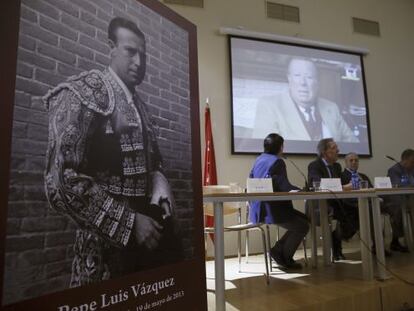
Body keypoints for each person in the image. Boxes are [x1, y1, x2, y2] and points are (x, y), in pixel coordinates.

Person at [43, 17, 181, 287]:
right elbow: (59, 181)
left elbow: (154, 162)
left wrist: (159, 181)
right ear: (111, 47)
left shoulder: (141, 106)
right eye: (131, 51)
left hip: (148, 239)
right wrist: (128, 222)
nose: (139, 63)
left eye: (143, 54)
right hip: (103, 246)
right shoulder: (83, 92)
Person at [252, 58, 358, 142]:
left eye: (309, 77)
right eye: (297, 75)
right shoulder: (269, 105)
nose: (303, 83)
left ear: (317, 82)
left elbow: (353, 143)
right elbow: (265, 150)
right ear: (289, 79)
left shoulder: (331, 107)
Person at [249, 133, 310, 269]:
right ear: (281, 147)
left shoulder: (259, 159)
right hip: (272, 210)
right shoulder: (277, 161)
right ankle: (285, 257)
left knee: (305, 220)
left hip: (259, 208)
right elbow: (284, 186)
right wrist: (302, 191)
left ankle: (278, 250)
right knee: (303, 226)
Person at [307, 138, 357, 261]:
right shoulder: (314, 165)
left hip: (335, 203)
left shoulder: (336, 166)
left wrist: (353, 184)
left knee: (357, 211)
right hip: (319, 205)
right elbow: (318, 184)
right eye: (334, 148)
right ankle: (335, 245)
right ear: (325, 152)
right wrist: (344, 187)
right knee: (341, 213)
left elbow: (342, 184)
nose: (338, 150)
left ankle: (337, 237)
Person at [341, 152, 392, 257]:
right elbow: (343, 195)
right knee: (372, 209)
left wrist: (378, 198)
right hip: (353, 205)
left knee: (391, 205)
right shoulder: (342, 176)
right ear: (346, 163)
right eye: (351, 160)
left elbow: (372, 190)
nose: (354, 162)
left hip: (369, 202)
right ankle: (378, 246)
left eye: (356, 160)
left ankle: (394, 240)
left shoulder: (363, 176)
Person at [384, 149, 414, 252]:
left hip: (408, 199)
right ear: (404, 160)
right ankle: (397, 239)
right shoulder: (394, 170)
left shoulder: (412, 169)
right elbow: (396, 187)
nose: (413, 164)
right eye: (412, 162)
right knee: (399, 207)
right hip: (395, 200)